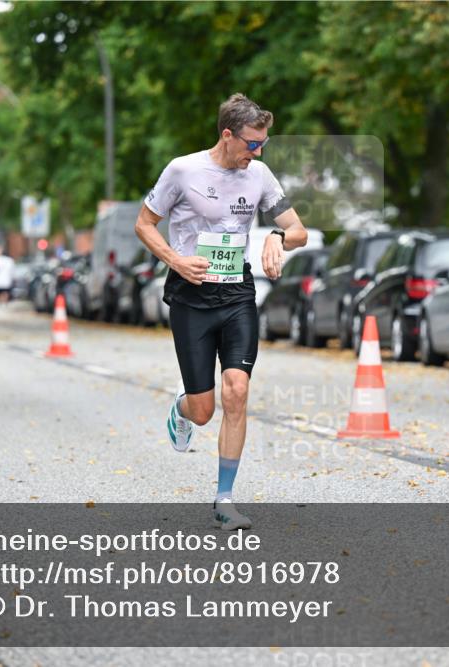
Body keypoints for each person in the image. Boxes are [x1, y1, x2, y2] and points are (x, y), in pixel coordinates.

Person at [134, 93, 308, 530]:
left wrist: (276, 236)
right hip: (191, 297)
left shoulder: (260, 174)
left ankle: (225, 499)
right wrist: (175, 259)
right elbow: (144, 223)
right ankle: (182, 409)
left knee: (237, 391)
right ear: (227, 136)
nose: (258, 151)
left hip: (237, 295)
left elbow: (298, 229)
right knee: (204, 409)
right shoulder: (183, 170)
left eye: (262, 143)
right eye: (251, 143)